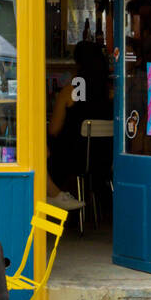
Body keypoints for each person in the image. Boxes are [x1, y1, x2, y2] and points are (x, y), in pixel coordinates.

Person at [47, 40, 112, 208]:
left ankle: (53, 194)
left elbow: (53, 130)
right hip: (106, 160)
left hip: (73, 159)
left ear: (78, 62)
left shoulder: (73, 90)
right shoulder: (111, 92)